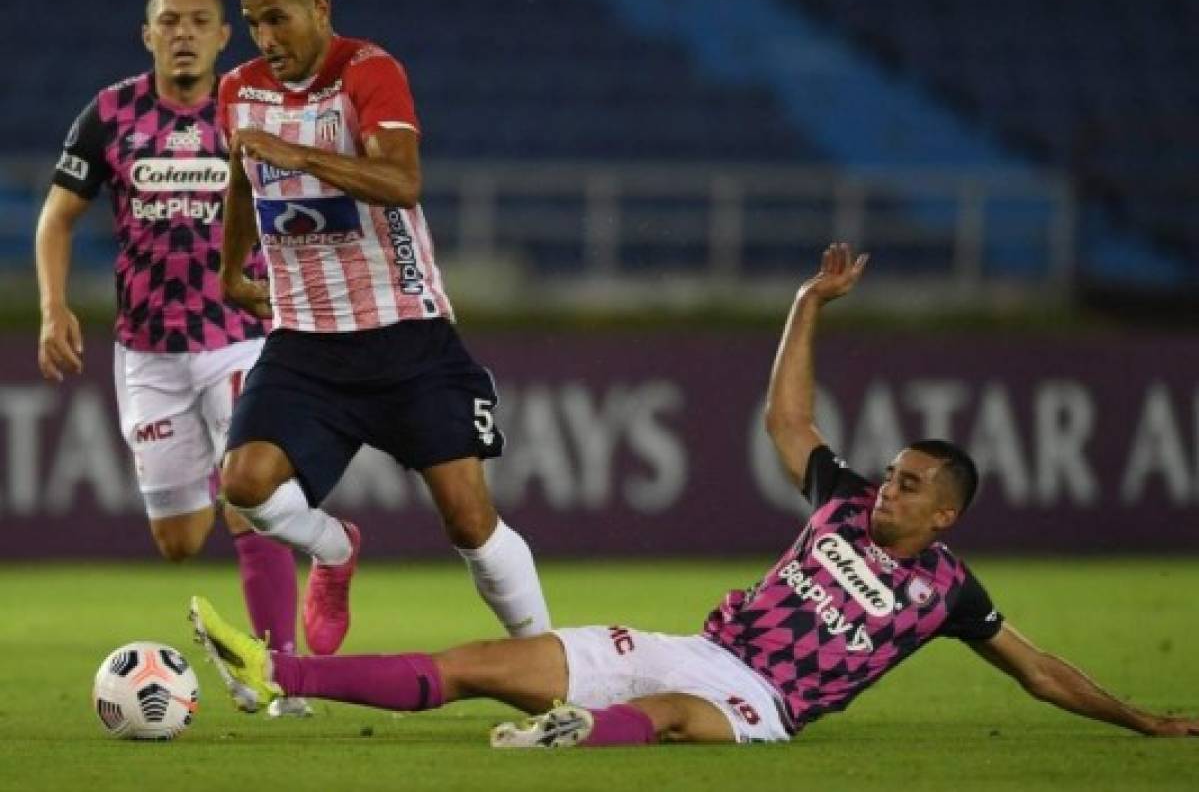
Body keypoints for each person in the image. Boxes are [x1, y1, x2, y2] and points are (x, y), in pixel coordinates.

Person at [191, 242, 1199, 746]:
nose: (886, 490)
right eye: (890, 474)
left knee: (673, 717)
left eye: (909, 487)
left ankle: (580, 732)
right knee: (480, 663)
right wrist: (805, 304)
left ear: (945, 517)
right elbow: (786, 421)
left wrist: (1139, 722)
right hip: (700, 646)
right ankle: (284, 674)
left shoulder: (949, 593)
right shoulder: (839, 503)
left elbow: (1036, 671)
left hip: (759, 704)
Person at [213, 0, 550, 664]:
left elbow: (402, 181)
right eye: (254, 23)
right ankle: (334, 552)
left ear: (319, 7)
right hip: (303, 340)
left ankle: (549, 660)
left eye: (279, 19)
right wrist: (229, 267)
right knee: (243, 485)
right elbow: (240, 177)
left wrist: (297, 153)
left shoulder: (369, 71)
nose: (266, 39)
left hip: (406, 334)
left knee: (467, 518)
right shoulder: (237, 90)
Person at [35, 0, 310, 717]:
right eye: (169, 21)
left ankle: (279, 675)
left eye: (198, 21)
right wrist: (53, 306)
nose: (182, 33)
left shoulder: (251, 108)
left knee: (248, 499)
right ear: (148, 34)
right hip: (148, 350)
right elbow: (57, 217)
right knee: (180, 540)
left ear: (225, 35)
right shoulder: (109, 113)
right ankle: (279, 560)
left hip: (239, 339)